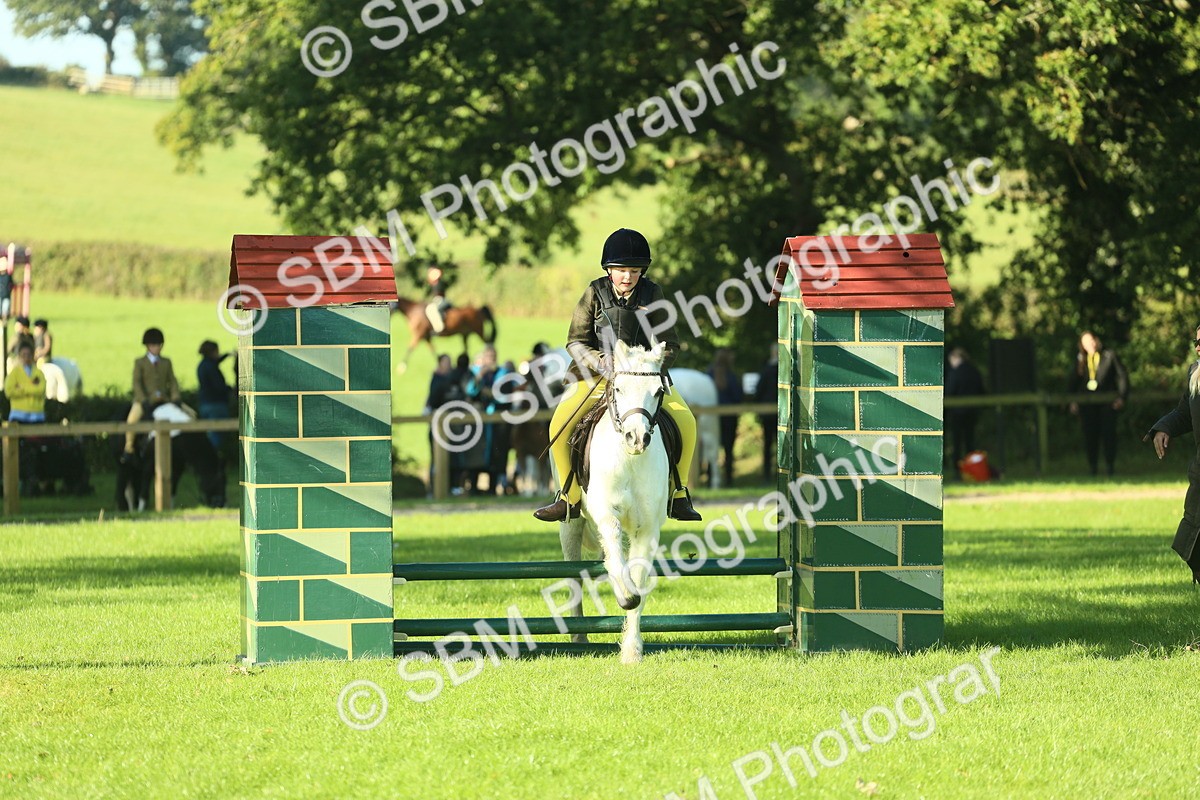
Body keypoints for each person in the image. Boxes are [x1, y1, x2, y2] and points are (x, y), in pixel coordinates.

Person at [534, 228, 702, 522]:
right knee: (559, 424)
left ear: (642, 271)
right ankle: (568, 496)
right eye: (621, 270)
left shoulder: (654, 293)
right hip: (595, 376)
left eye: (634, 271)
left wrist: (651, 366)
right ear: (609, 270)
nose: (627, 277)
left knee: (686, 421)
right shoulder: (594, 292)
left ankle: (678, 493)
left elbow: (670, 343)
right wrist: (602, 362)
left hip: (644, 377)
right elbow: (575, 341)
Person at [1144, 325, 1200, 584]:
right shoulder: (1194, 374)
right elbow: (1183, 414)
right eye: (1196, 342)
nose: (1198, 347)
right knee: (1191, 544)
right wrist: (1163, 427)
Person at [1068, 331, 1128, 476]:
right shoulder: (1080, 359)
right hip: (1087, 405)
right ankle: (1092, 468)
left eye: (1092, 340)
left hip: (1107, 404)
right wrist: (1072, 401)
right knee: (1090, 436)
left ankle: (1110, 468)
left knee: (1109, 435)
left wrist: (1121, 397)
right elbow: (1072, 382)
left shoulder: (1109, 355)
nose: (1091, 344)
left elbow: (1122, 377)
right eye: (1086, 342)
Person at [124, 327, 182, 458]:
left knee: (190, 414)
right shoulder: (140, 363)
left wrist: (176, 397)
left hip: (164, 399)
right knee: (131, 420)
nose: (158, 348)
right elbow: (137, 383)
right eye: (154, 345)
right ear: (148, 346)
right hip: (145, 400)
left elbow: (172, 381)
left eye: (159, 345)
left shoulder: (166, 362)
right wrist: (143, 400)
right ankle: (128, 447)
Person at [945, 347, 986, 477]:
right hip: (973, 411)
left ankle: (957, 472)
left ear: (956, 358)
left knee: (957, 443)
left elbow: (949, 392)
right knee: (970, 442)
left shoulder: (956, 373)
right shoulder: (974, 371)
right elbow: (982, 391)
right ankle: (973, 471)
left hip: (957, 412)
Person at [708, 347, 743, 486]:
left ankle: (711, 478)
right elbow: (737, 396)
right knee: (729, 450)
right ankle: (728, 480)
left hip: (711, 416)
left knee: (711, 448)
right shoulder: (731, 376)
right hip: (729, 417)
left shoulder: (709, 374)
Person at [197, 340, 233, 449]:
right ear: (212, 352)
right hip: (216, 405)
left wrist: (227, 355)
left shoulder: (202, 365)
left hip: (204, 404)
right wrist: (230, 389)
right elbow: (219, 386)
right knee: (217, 437)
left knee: (210, 434)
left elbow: (216, 361)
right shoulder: (212, 367)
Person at [4, 340, 46, 423]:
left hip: (37, 416)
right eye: (24, 355)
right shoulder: (14, 373)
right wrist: (33, 388)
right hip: (18, 415)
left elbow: (41, 390)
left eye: (29, 355)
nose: (26, 358)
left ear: (33, 355)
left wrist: (22, 387)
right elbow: (9, 391)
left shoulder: (39, 373)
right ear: (19, 356)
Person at [754, 343, 779, 481]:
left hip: (767, 413)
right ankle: (776, 472)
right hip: (778, 412)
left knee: (768, 444)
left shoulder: (766, 370)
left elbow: (759, 390)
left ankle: (767, 474)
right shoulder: (782, 369)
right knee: (778, 443)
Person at [425, 266, 450, 334]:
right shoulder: (436, 284)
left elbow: (439, 295)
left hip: (441, 300)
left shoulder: (439, 284)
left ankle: (439, 328)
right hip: (438, 300)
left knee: (432, 309)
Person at [0, 255, 12, 324]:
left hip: (6, 295)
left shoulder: (8, 276)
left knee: (5, 308)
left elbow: (11, 284)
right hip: (1, 294)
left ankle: (4, 320)